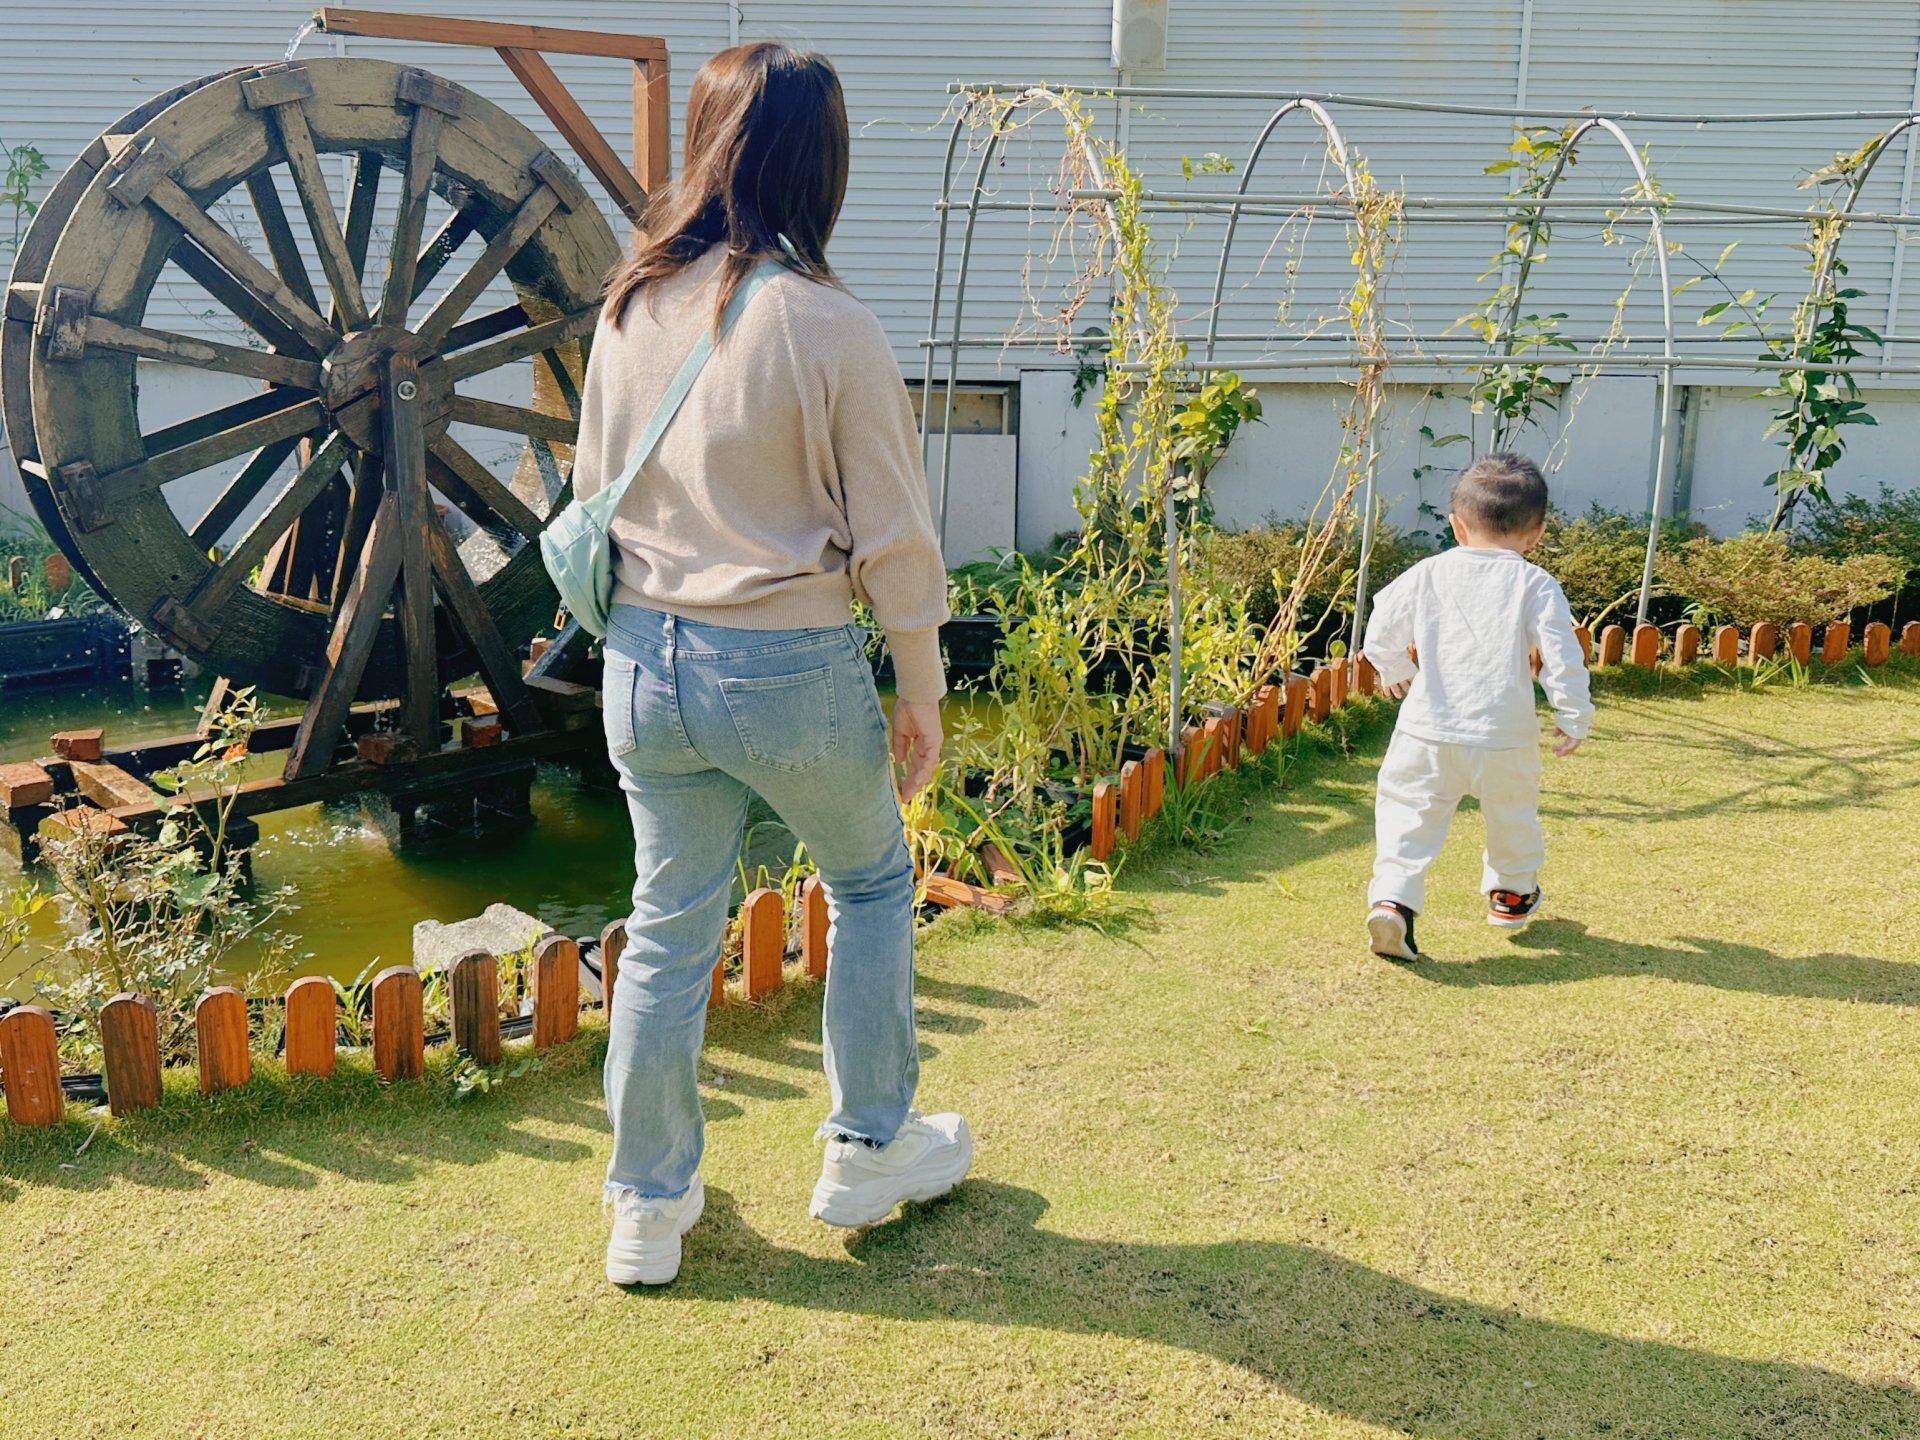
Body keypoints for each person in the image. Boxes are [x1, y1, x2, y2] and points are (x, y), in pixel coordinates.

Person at [573, 42, 970, 1287]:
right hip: (786, 661)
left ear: (708, 145)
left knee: (665, 928)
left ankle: (645, 1206)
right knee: (865, 887)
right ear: (822, 160)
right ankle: (868, 1145)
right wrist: (922, 689)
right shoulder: (828, 324)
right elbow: (895, 536)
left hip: (642, 659)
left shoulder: (631, 306)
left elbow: (590, 493)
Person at [1359, 452, 1593, 961]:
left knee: (1407, 815)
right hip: (1504, 735)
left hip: (1427, 729)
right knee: (1512, 815)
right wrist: (1573, 714)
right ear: (1535, 533)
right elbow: (1562, 654)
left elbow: (1381, 625)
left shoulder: (1427, 573)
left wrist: (1395, 669)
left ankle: (1394, 900)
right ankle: (1510, 895)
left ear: (1456, 526)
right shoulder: (1536, 584)